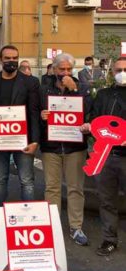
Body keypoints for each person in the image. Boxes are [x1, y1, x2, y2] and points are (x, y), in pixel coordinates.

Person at [0, 45, 41, 233]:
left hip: (23, 141)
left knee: (27, 180)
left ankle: (30, 220)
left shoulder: (30, 82)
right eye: (7, 58)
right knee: (0, 179)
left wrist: (34, 141)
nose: (11, 61)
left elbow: (34, 113)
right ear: (0, 59)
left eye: (14, 58)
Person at [40, 53, 91, 246]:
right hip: (51, 147)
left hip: (75, 147)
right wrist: (42, 117)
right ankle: (52, 226)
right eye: (62, 69)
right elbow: (34, 112)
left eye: (69, 69)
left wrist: (74, 90)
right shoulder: (44, 89)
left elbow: (88, 112)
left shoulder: (83, 88)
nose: (65, 72)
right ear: (54, 69)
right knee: (51, 188)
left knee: (75, 188)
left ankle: (76, 227)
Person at [81, 57, 126, 256]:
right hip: (105, 156)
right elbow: (95, 120)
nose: (121, 73)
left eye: (125, 69)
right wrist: (88, 128)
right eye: (118, 69)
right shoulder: (103, 95)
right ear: (111, 72)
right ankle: (109, 239)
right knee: (106, 201)